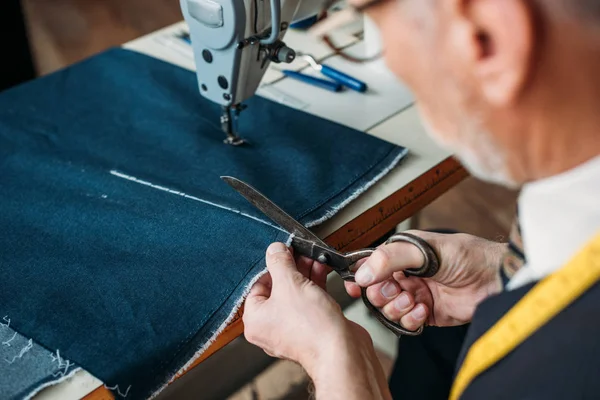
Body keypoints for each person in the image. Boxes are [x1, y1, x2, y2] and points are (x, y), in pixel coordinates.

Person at [241, 0, 600, 398]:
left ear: (489, 37)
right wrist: (503, 275)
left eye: (371, 28)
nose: (391, 63)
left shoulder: (557, 372)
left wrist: (336, 362)